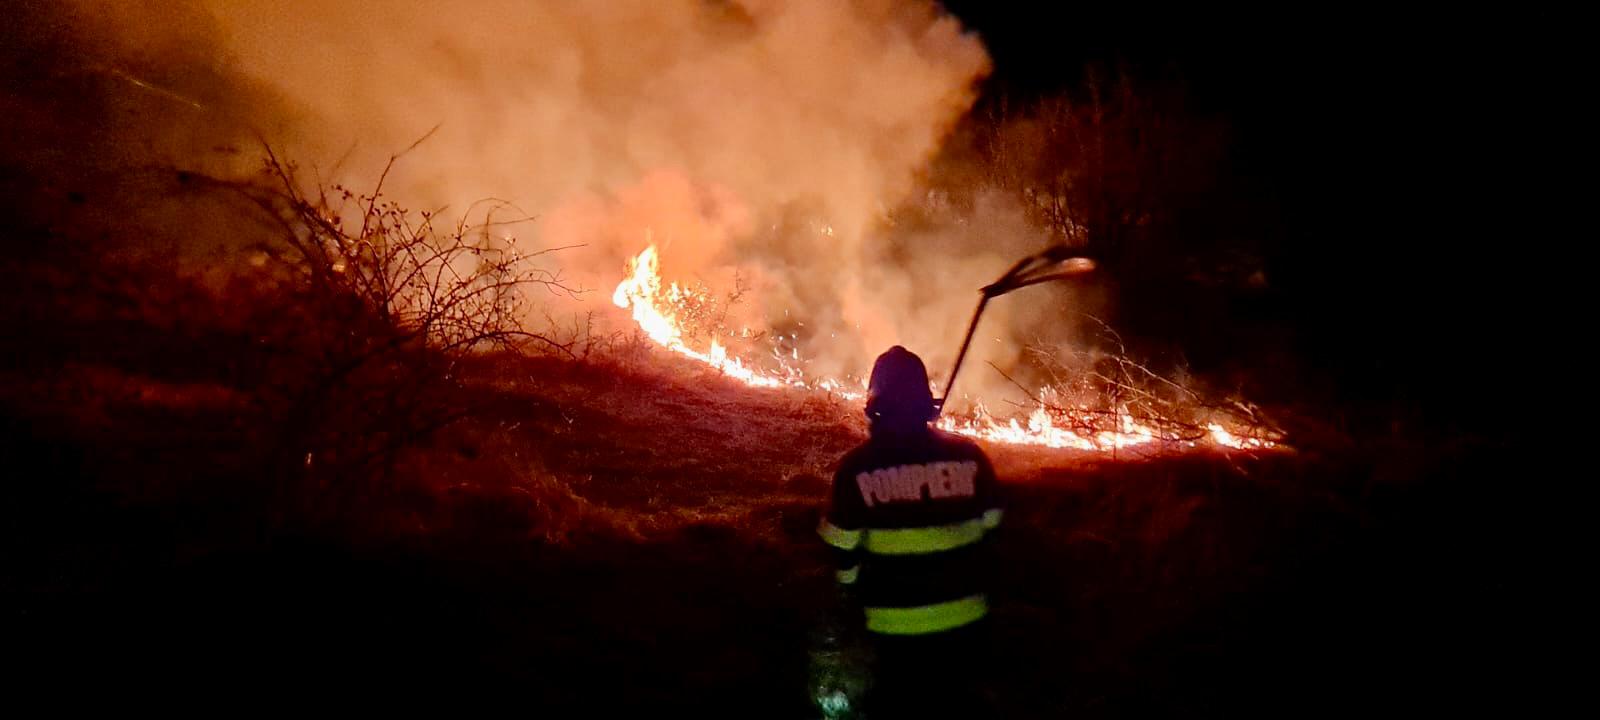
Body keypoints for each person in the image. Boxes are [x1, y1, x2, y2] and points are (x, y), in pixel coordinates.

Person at [818, 346, 1003, 717]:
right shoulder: (970, 458)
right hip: (969, 622)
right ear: (925, 403)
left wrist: (849, 601)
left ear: (875, 406)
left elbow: (840, 553)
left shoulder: (857, 469)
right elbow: (994, 532)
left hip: (893, 627)